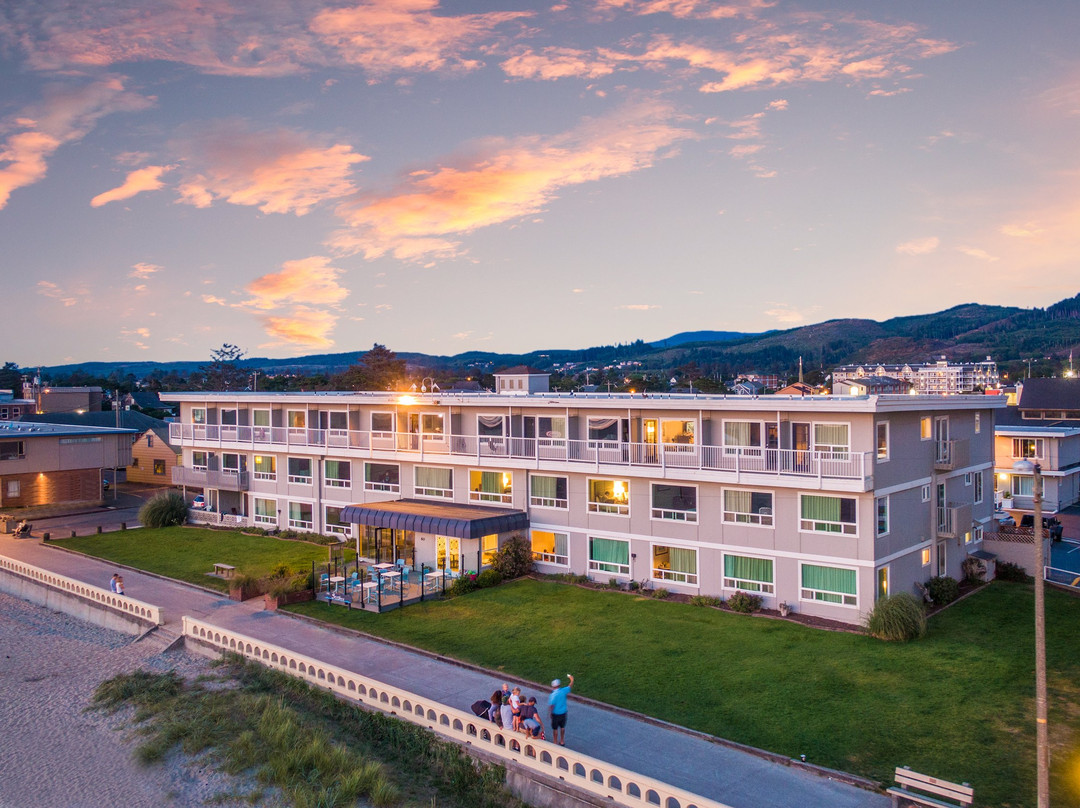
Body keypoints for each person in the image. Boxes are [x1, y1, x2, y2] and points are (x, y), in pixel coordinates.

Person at [548, 673, 574, 746]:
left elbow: (551, 705)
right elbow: (569, 686)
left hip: (556, 714)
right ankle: (562, 741)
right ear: (559, 685)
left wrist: (550, 713)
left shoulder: (553, 695)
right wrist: (572, 680)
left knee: (555, 728)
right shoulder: (563, 691)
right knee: (562, 727)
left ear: (553, 686)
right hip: (563, 712)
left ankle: (555, 742)